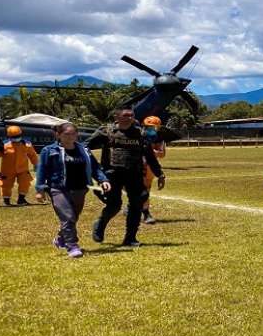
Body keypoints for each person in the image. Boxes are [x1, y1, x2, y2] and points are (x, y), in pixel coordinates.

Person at [86, 106, 165, 247]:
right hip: (112, 174)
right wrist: (96, 169)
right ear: (117, 117)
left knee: (137, 203)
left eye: (132, 115)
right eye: (126, 115)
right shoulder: (107, 132)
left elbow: (149, 155)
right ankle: (100, 223)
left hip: (134, 173)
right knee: (114, 205)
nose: (130, 117)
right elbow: (85, 147)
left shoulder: (140, 134)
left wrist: (160, 174)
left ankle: (130, 238)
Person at [35, 123, 111, 258]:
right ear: (58, 135)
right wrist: (40, 189)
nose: (70, 137)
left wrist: (103, 180)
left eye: (73, 134)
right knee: (68, 217)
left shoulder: (84, 150)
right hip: (58, 188)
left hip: (80, 188)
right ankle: (73, 246)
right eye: (66, 134)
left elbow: (95, 167)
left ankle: (61, 238)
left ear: (77, 134)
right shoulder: (49, 150)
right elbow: (42, 170)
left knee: (73, 217)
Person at [0, 125, 38, 206]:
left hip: (22, 169)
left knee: (25, 182)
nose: (16, 138)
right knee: (6, 185)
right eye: (13, 137)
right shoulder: (4, 145)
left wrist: (36, 164)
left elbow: (33, 155)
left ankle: (21, 199)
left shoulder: (27, 145)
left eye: (17, 136)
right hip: (7, 170)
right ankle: (6, 201)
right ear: (9, 136)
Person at [141, 116, 166, 224]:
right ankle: (134, 206)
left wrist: (151, 152)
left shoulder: (159, 139)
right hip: (136, 164)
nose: (152, 129)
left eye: (154, 127)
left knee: (146, 189)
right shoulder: (138, 136)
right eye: (149, 126)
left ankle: (146, 213)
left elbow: (162, 154)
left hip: (150, 166)